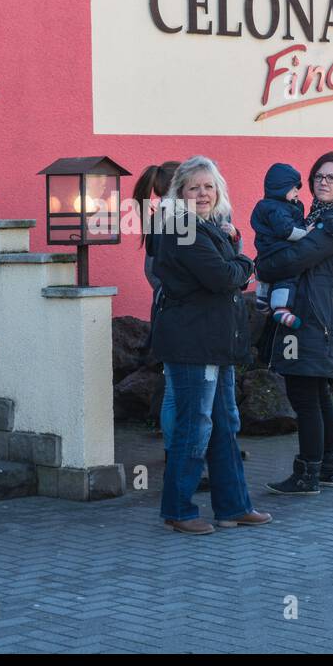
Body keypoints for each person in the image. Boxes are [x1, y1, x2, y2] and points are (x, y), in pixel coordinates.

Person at [150, 155, 271, 534]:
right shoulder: (180, 225)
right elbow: (221, 277)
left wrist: (234, 262)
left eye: (208, 186)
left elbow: (222, 274)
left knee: (223, 423)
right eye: (193, 187)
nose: (202, 193)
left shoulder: (208, 226)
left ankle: (233, 506)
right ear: (179, 192)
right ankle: (178, 510)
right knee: (195, 426)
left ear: (217, 190)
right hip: (192, 344)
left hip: (215, 343)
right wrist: (246, 264)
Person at [255, 152, 333, 495]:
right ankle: (327, 469)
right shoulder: (320, 216)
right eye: (318, 177)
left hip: (320, 320)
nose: (323, 182)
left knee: (304, 394)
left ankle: (307, 474)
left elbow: (295, 258)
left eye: (331, 177)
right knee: (317, 394)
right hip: (320, 317)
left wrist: (264, 268)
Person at [134, 162, 180, 452]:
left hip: (168, 312)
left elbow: (152, 272)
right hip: (175, 314)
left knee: (173, 387)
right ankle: (175, 453)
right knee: (175, 390)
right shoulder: (171, 217)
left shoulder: (164, 215)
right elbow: (157, 273)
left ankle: (178, 451)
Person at [250, 162, 312, 329]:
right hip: (280, 255)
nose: (297, 192)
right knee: (288, 276)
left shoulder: (266, 205)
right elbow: (287, 231)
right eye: (294, 189)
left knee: (265, 274)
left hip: (264, 256)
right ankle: (281, 308)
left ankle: (262, 300)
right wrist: (306, 232)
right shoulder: (278, 209)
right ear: (281, 189)